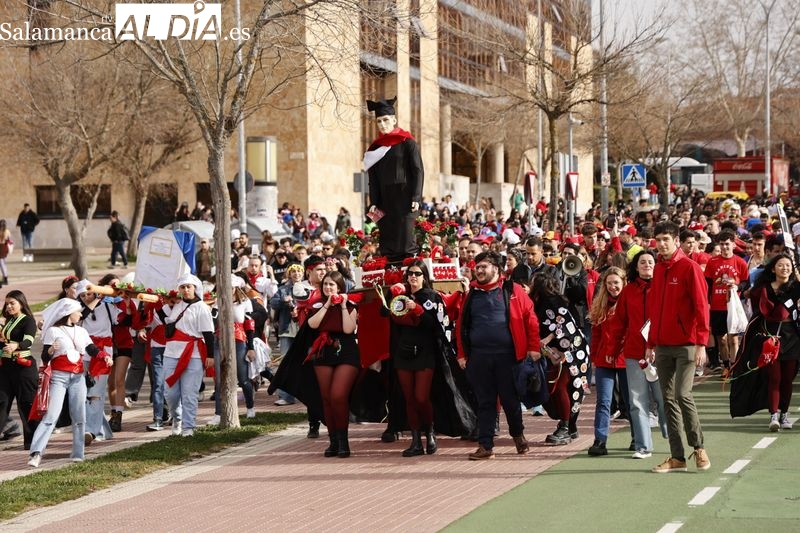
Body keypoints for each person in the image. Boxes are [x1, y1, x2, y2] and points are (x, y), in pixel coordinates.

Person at [456, 251, 540, 460]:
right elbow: (461, 326)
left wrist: (533, 346)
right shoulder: (471, 294)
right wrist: (462, 354)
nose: (479, 270)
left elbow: (530, 319)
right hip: (479, 358)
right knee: (485, 403)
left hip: (508, 357)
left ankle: (518, 436)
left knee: (511, 400)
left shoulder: (513, 290)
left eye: (483, 266)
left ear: (496, 268)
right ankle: (486, 446)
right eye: (477, 267)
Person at [647, 221, 711, 473]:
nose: (661, 244)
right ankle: (677, 458)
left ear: (676, 240)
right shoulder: (659, 269)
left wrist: (701, 343)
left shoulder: (689, 267)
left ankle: (698, 447)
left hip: (687, 344)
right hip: (662, 346)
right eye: (658, 240)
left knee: (682, 395)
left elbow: (701, 306)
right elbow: (654, 310)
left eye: (666, 239)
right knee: (667, 400)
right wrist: (651, 342)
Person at [606, 250, 668, 459]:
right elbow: (619, 324)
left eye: (651, 261)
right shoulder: (628, 291)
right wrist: (613, 350)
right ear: (636, 266)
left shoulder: (665, 288)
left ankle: (671, 434)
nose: (647, 265)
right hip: (634, 353)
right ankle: (643, 446)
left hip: (662, 352)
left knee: (664, 398)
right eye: (643, 262)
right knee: (637, 401)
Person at [730, 254, 799, 431]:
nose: (785, 268)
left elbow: (786, 314)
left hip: (792, 337)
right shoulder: (763, 289)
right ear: (773, 268)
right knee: (774, 377)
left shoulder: (796, 287)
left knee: (787, 379)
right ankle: (774, 415)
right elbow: (776, 313)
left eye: (788, 265)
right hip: (769, 338)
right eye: (781, 265)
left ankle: (784, 414)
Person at [28, 298, 100, 468]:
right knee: (51, 415)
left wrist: (104, 356)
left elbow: (92, 349)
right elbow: (45, 356)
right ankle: (36, 453)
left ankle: (78, 453)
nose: (81, 314)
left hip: (78, 377)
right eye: (78, 311)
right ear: (68, 313)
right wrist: (51, 350)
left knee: (79, 415)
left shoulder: (82, 331)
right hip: (59, 377)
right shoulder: (53, 331)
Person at [387, 260, 441, 457]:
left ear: (424, 277)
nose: (413, 277)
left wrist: (417, 309)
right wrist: (392, 295)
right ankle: (416, 440)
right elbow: (384, 312)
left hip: (425, 352)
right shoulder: (400, 296)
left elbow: (437, 325)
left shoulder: (432, 296)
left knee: (421, 397)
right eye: (410, 273)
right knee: (409, 398)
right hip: (404, 352)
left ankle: (430, 431)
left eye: (417, 274)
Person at [530, 272, 588, 446]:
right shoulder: (544, 303)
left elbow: (563, 326)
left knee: (562, 387)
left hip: (568, 352)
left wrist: (547, 340)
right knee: (562, 388)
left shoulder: (554, 303)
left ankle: (565, 426)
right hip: (559, 352)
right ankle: (570, 425)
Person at [306, 271, 360, 458]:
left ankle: (344, 441)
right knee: (327, 398)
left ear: (340, 288)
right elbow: (313, 324)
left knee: (338, 395)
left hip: (346, 352)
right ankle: (333, 441)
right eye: (326, 284)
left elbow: (348, 329)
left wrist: (343, 304)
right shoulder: (317, 305)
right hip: (324, 352)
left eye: (332, 285)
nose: (328, 288)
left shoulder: (351, 305)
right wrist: (328, 304)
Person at [364, 97, 424, 261]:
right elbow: (373, 179)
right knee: (387, 242)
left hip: (405, 200)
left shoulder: (407, 142)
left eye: (385, 120)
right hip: (384, 202)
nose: (382, 124)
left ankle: (409, 273)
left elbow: (418, 170)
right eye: (379, 121)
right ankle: (390, 273)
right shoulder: (375, 148)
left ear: (394, 120)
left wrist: (416, 197)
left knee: (406, 240)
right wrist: (373, 202)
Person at [163, 274, 215, 437]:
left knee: (189, 393)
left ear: (195, 288)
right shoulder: (176, 305)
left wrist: (210, 355)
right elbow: (166, 322)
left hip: (193, 354)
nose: (186, 290)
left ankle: (188, 427)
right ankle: (177, 418)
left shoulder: (201, 307)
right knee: (170, 393)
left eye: (189, 287)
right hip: (171, 352)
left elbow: (208, 334)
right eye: (183, 287)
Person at [587, 267, 630, 456]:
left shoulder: (630, 303)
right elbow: (595, 334)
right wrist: (594, 358)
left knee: (631, 401)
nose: (613, 287)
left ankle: (638, 437)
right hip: (604, 360)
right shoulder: (600, 304)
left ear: (623, 283)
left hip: (625, 358)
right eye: (609, 283)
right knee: (603, 402)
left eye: (616, 283)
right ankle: (600, 440)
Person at [704, 230, 748, 378]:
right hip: (717, 306)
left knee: (733, 338)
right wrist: (707, 303)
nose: (724, 247)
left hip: (733, 306)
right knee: (721, 340)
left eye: (727, 244)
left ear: (734, 244)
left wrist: (738, 287)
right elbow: (708, 284)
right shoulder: (712, 261)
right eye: (721, 244)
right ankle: (726, 366)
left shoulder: (740, 262)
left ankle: (735, 366)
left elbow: (745, 282)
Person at [0, 290, 39, 449]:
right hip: (6, 368)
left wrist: (17, 345)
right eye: (7, 303)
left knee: (26, 405)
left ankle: (32, 443)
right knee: (1, 401)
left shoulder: (28, 321)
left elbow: (28, 340)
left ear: (21, 303)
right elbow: (3, 343)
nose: (8, 306)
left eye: (12, 303)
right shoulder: (8, 321)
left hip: (24, 369)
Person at [0, 219, 12, 286]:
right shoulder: (7, 231)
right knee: (3, 263)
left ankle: (5, 278)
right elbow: (10, 240)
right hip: (5, 247)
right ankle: (5, 277)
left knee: (2, 264)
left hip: (1, 248)